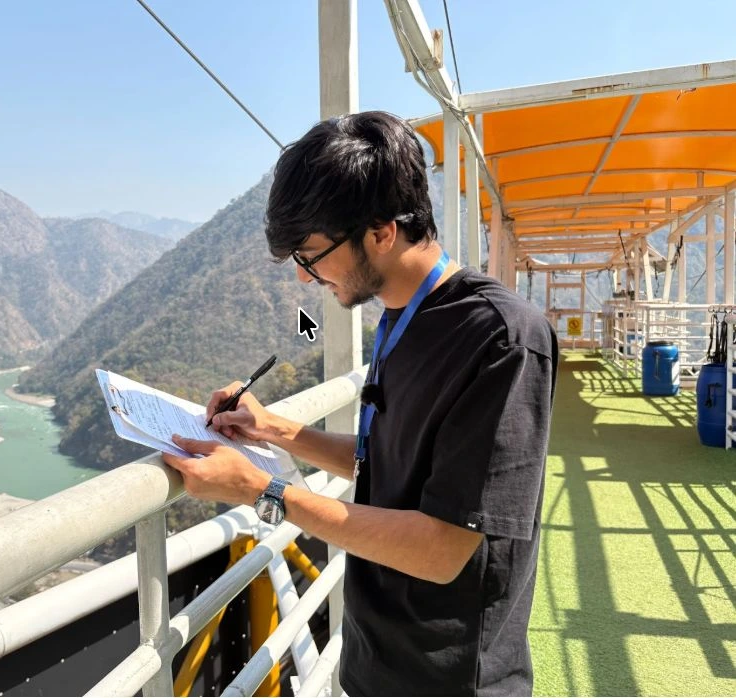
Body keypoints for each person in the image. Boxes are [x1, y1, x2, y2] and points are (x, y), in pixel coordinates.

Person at [161, 111, 558, 696]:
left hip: (448, 679)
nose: (305, 278)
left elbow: (443, 548)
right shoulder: (401, 318)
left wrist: (261, 490)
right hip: (376, 658)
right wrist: (273, 428)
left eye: (311, 254)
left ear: (380, 232)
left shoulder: (502, 339)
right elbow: (388, 462)